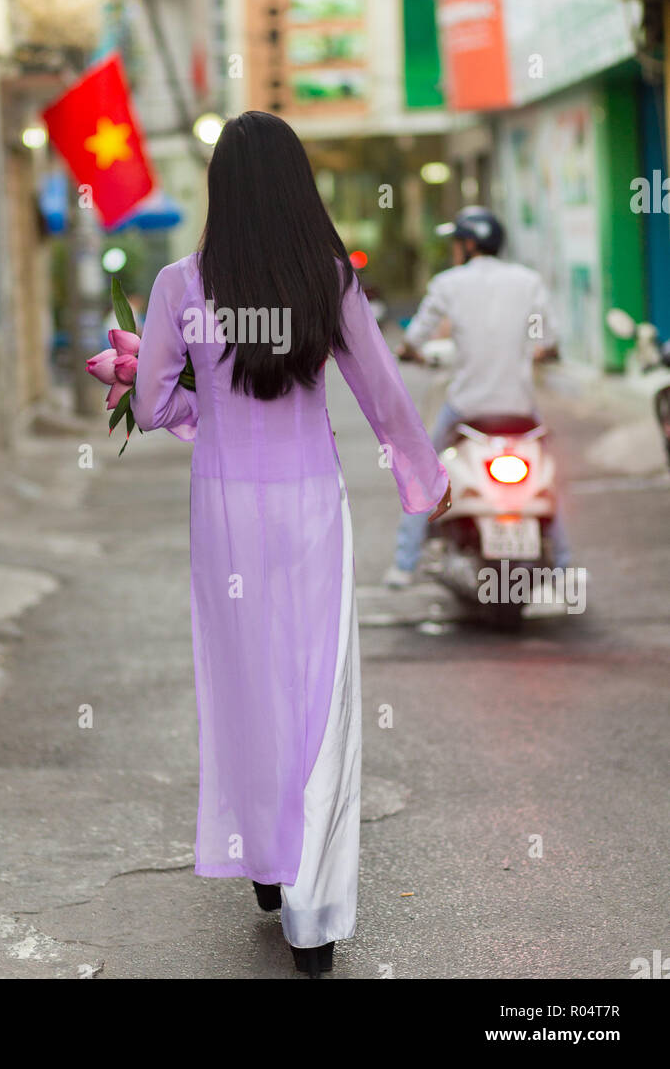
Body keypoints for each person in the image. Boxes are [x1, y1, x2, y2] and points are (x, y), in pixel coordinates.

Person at [131, 111, 450, 978]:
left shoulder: (178, 285)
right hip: (311, 510)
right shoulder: (328, 282)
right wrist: (424, 481)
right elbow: (384, 396)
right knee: (320, 701)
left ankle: (266, 871)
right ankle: (316, 915)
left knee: (244, 689)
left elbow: (153, 404)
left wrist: (199, 404)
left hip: (226, 517)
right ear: (298, 188)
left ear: (220, 192)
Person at [384, 205, 570, 589]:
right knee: (548, 478)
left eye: (457, 243)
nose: (455, 250)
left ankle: (404, 564)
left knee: (425, 474)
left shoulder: (448, 284)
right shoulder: (528, 281)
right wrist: (536, 352)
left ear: (469, 245)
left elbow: (415, 338)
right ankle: (565, 566)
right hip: (518, 407)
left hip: (466, 408)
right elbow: (549, 341)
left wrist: (410, 352)